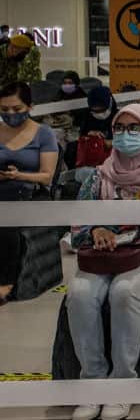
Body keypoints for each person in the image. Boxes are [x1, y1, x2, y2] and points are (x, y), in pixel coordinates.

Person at [66, 104, 140, 420]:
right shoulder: (101, 174)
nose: (126, 135)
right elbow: (78, 222)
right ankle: (93, 383)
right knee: (79, 293)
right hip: (106, 256)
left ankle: (123, 384)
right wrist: (97, 229)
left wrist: (123, 228)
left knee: (124, 292)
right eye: (119, 129)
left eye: (135, 129)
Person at [0, 82, 58, 306]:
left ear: (30, 106)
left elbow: (47, 176)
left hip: (30, 193)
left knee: (5, 227)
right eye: (4, 110)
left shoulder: (44, 134)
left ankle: (6, 282)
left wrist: (19, 176)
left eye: (16, 109)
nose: (10, 114)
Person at [65, 87, 118, 171]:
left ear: (110, 104)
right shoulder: (87, 116)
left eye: (102, 110)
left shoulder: (118, 117)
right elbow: (82, 137)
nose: (99, 114)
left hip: (112, 158)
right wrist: (90, 135)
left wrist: (111, 142)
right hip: (92, 157)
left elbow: (125, 140)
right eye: (95, 111)